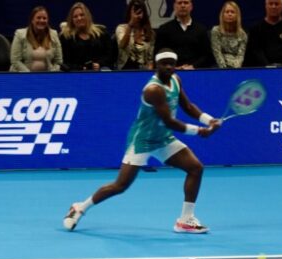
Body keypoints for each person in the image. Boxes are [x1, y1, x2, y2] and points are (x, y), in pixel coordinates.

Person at [63, 50, 220, 235]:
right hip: (142, 140)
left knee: (195, 168)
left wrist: (208, 120)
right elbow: (169, 121)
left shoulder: (176, 79)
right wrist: (199, 131)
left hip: (162, 138)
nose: (169, 67)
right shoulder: (153, 90)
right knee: (120, 186)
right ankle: (80, 207)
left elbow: (187, 106)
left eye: (172, 63)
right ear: (155, 65)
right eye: (164, 63)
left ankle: (185, 220)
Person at [153, 0, 213, 69]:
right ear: (174, 6)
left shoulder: (201, 29)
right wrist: (172, 67)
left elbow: (208, 56)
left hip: (196, 72)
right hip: (170, 73)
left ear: (191, 6)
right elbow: (158, 54)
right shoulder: (164, 29)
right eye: (179, 3)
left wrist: (193, 66)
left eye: (186, 3)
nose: (183, 5)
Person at [59, 3, 116, 71]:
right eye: (75, 16)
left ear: (88, 16)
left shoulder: (101, 33)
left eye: (82, 15)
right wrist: (82, 68)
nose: (79, 18)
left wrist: (99, 64)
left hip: (100, 71)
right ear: (72, 20)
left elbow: (110, 55)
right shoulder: (65, 37)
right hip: (76, 73)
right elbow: (65, 62)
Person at [243, 0, 282, 67]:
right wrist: (268, 66)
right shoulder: (255, 30)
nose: (273, 7)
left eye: (276, 4)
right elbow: (256, 52)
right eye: (270, 4)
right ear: (266, 6)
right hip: (262, 70)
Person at [10, 6, 63, 72]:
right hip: (23, 76)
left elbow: (58, 61)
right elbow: (15, 60)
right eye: (38, 18)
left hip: (47, 77)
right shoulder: (20, 34)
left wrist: (51, 74)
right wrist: (30, 76)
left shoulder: (54, 34)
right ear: (32, 20)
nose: (41, 20)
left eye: (44, 18)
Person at [115, 0, 155, 70]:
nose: (137, 13)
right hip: (125, 69)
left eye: (140, 11)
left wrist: (149, 71)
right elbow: (122, 45)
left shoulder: (150, 32)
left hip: (144, 70)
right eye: (135, 10)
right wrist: (130, 25)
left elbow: (150, 58)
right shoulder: (121, 28)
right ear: (130, 12)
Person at [210, 1, 247, 68]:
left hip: (236, 68)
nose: (230, 14)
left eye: (232, 12)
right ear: (222, 15)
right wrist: (225, 70)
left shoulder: (243, 34)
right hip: (220, 67)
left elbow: (240, 56)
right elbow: (217, 53)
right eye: (227, 12)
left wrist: (235, 70)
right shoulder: (216, 31)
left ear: (237, 15)